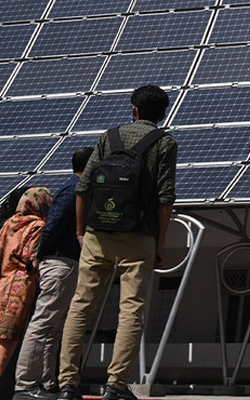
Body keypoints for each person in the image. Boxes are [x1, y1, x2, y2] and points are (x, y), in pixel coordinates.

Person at [57, 85, 177, 400]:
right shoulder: (165, 143)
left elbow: (83, 189)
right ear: (164, 113)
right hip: (139, 238)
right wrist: (160, 244)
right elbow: (165, 199)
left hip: (98, 234)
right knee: (130, 311)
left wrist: (82, 232)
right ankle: (116, 386)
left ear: (133, 110)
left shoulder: (108, 138)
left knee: (80, 307)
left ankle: (67, 384)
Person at [13, 148, 93, 400]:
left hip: (65, 263)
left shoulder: (78, 190)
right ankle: (25, 384)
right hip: (59, 263)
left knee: (54, 327)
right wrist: (40, 253)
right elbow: (54, 225)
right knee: (43, 323)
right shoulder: (73, 191)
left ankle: (47, 382)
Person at [0, 188, 52, 375]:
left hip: (2, 283)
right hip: (20, 291)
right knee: (8, 343)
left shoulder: (8, 224)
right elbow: (32, 260)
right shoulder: (38, 226)